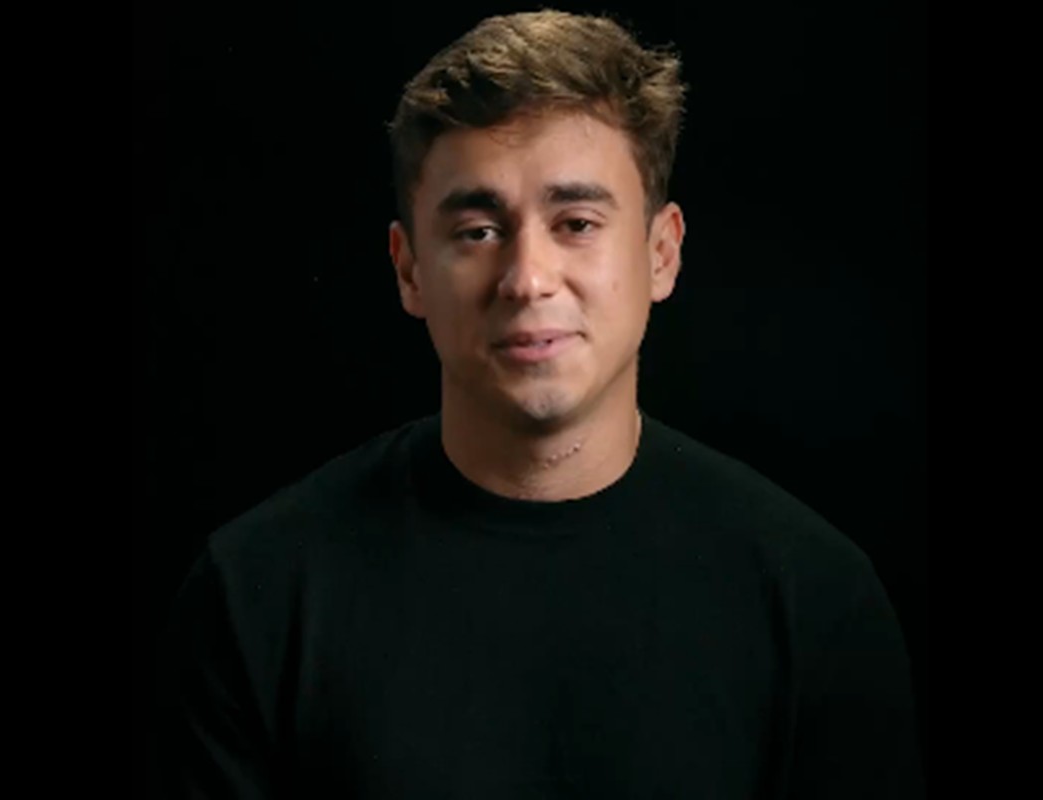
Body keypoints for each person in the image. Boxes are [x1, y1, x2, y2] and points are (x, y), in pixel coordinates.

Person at [152, 9, 924, 798]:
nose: (527, 278)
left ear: (662, 253)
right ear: (409, 269)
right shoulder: (253, 597)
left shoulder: (813, 599)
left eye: (576, 223)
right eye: (478, 231)